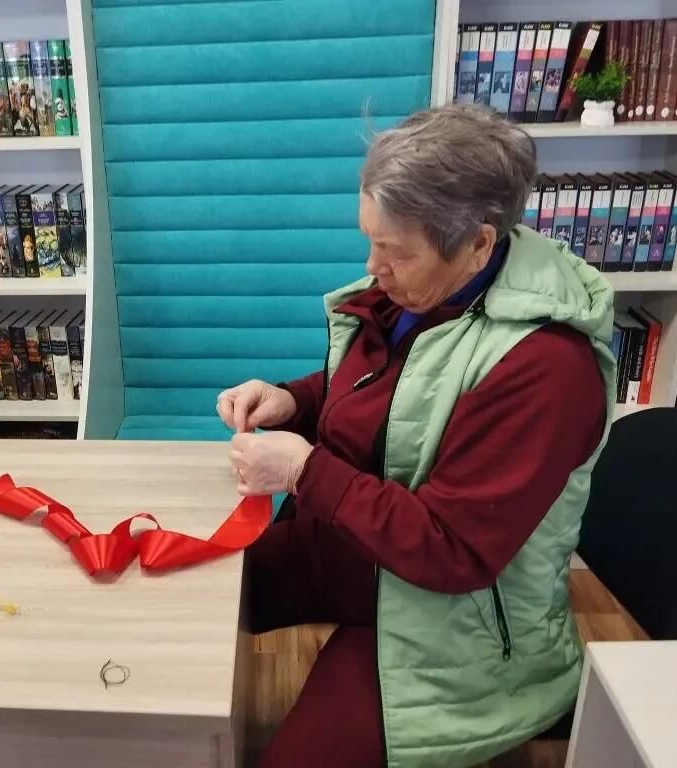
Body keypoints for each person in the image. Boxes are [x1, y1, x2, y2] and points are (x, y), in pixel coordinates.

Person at [217, 106, 615, 768]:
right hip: (375, 552)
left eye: (397, 252)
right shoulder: (428, 295)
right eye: (370, 240)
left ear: (479, 244)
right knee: (193, 593)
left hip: (460, 623)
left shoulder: (547, 369)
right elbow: (397, 395)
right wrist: (296, 400)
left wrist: (303, 472)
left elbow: (451, 551)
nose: (373, 267)